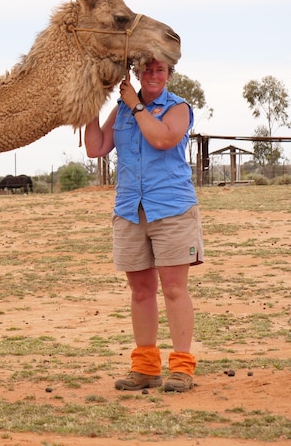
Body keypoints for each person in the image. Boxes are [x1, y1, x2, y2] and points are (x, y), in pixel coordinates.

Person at [84, 58, 204, 393]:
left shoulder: (177, 107)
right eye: (147, 69)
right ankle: (146, 367)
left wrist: (136, 106)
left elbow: (162, 140)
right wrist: (90, 104)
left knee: (175, 288)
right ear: (137, 73)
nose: (153, 75)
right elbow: (95, 148)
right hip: (129, 210)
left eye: (160, 70)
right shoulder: (121, 110)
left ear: (168, 75)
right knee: (140, 290)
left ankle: (181, 367)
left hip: (171, 210)